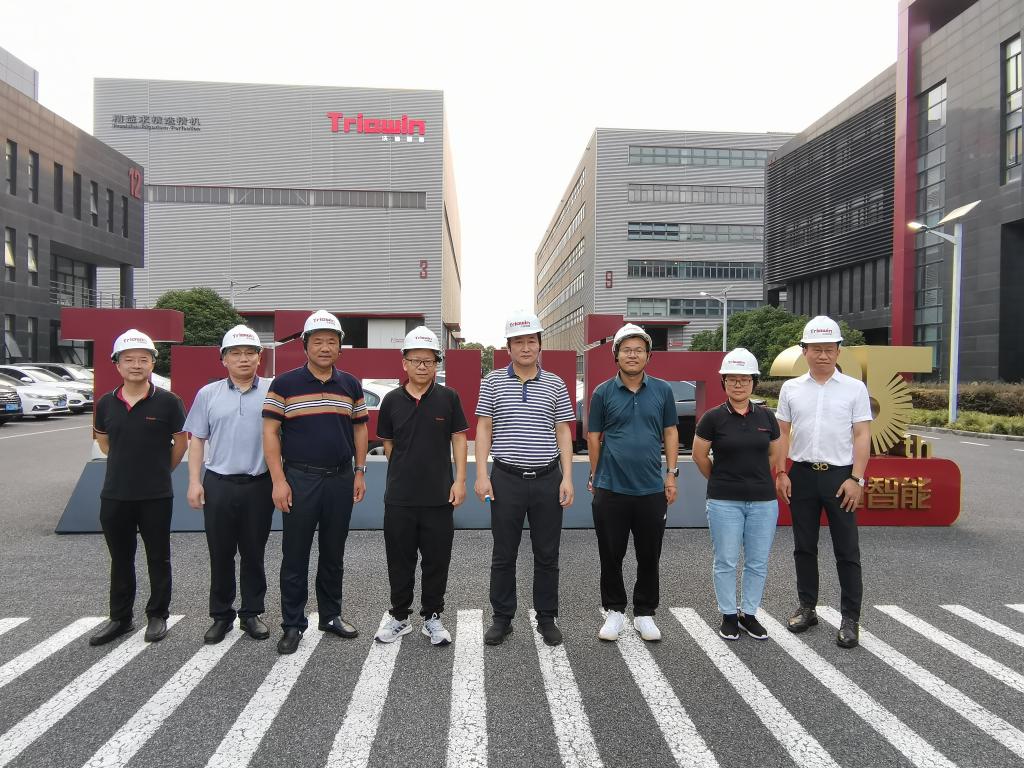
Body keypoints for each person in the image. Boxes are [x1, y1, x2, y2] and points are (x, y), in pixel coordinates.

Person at [263, 310, 368, 655]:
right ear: (305, 346)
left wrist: (360, 470)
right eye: (318, 341)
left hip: (340, 478)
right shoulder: (284, 384)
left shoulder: (350, 384)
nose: (325, 347)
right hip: (299, 478)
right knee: (295, 554)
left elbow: (360, 428)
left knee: (333, 552)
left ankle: (330, 615)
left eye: (331, 341)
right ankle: (292, 624)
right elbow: (270, 432)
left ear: (340, 347)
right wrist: (278, 481)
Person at [474, 310, 575, 647]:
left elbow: (563, 431)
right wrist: (481, 474)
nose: (526, 347)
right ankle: (502, 619)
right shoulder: (492, 382)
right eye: (519, 342)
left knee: (547, 554)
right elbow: (484, 428)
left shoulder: (555, 383)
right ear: (508, 347)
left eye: (532, 341)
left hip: (548, 478)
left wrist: (567, 477)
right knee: (504, 554)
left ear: (540, 344)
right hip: (506, 478)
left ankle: (546, 618)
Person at [774, 316, 872, 649]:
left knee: (847, 549)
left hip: (840, 477)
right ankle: (807, 608)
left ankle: (850, 618)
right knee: (804, 546)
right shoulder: (791, 389)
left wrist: (856, 478)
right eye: (816, 349)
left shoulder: (854, 389)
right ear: (804, 351)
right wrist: (781, 472)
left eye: (829, 349)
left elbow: (862, 435)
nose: (823, 355)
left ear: (839, 351)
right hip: (801, 474)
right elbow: (782, 432)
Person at [89, 329, 187, 646]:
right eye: (129, 359)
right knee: (120, 558)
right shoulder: (106, 403)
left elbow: (181, 444)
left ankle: (157, 614)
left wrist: (159, 470)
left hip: (156, 495)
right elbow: (104, 442)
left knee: (158, 557)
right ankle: (120, 618)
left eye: (143, 359)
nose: (136, 365)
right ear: (117, 364)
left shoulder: (169, 402)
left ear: (152, 364)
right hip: (115, 494)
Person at [374, 326, 469, 646]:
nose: (423, 366)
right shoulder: (391, 400)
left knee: (436, 561)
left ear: (437, 363)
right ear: (404, 363)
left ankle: (432, 617)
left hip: (439, 497)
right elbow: (388, 444)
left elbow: (459, 439)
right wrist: (406, 470)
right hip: (399, 498)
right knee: (399, 560)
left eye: (429, 361)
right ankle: (400, 617)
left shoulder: (449, 397)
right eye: (416, 360)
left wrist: (460, 480)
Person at [587, 324, 678, 643]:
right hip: (611, 488)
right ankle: (614, 611)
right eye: (626, 349)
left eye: (639, 350)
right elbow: (594, 437)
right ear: (616, 355)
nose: (633, 355)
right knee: (610, 554)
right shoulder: (602, 392)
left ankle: (644, 613)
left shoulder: (663, 391)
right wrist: (596, 476)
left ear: (649, 356)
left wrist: (671, 474)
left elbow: (670, 432)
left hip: (651, 488)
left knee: (649, 554)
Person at [184, 325, 274, 645]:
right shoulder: (208, 394)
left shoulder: (273, 391)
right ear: (223, 359)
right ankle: (221, 615)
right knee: (220, 553)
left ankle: (251, 613)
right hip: (218, 484)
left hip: (258, 484)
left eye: (250, 353)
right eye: (235, 353)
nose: (243, 359)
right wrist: (194, 481)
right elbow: (197, 440)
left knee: (253, 553)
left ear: (260, 357)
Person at [692, 348, 780, 642]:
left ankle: (749, 614)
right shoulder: (712, 418)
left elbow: (774, 454)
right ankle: (729, 615)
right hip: (723, 501)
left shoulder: (766, 417)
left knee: (757, 562)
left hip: (763, 501)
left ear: (754, 382)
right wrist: (721, 478)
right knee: (726, 560)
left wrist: (754, 476)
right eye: (732, 379)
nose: (738, 384)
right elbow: (699, 455)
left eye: (744, 379)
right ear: (724, 382)